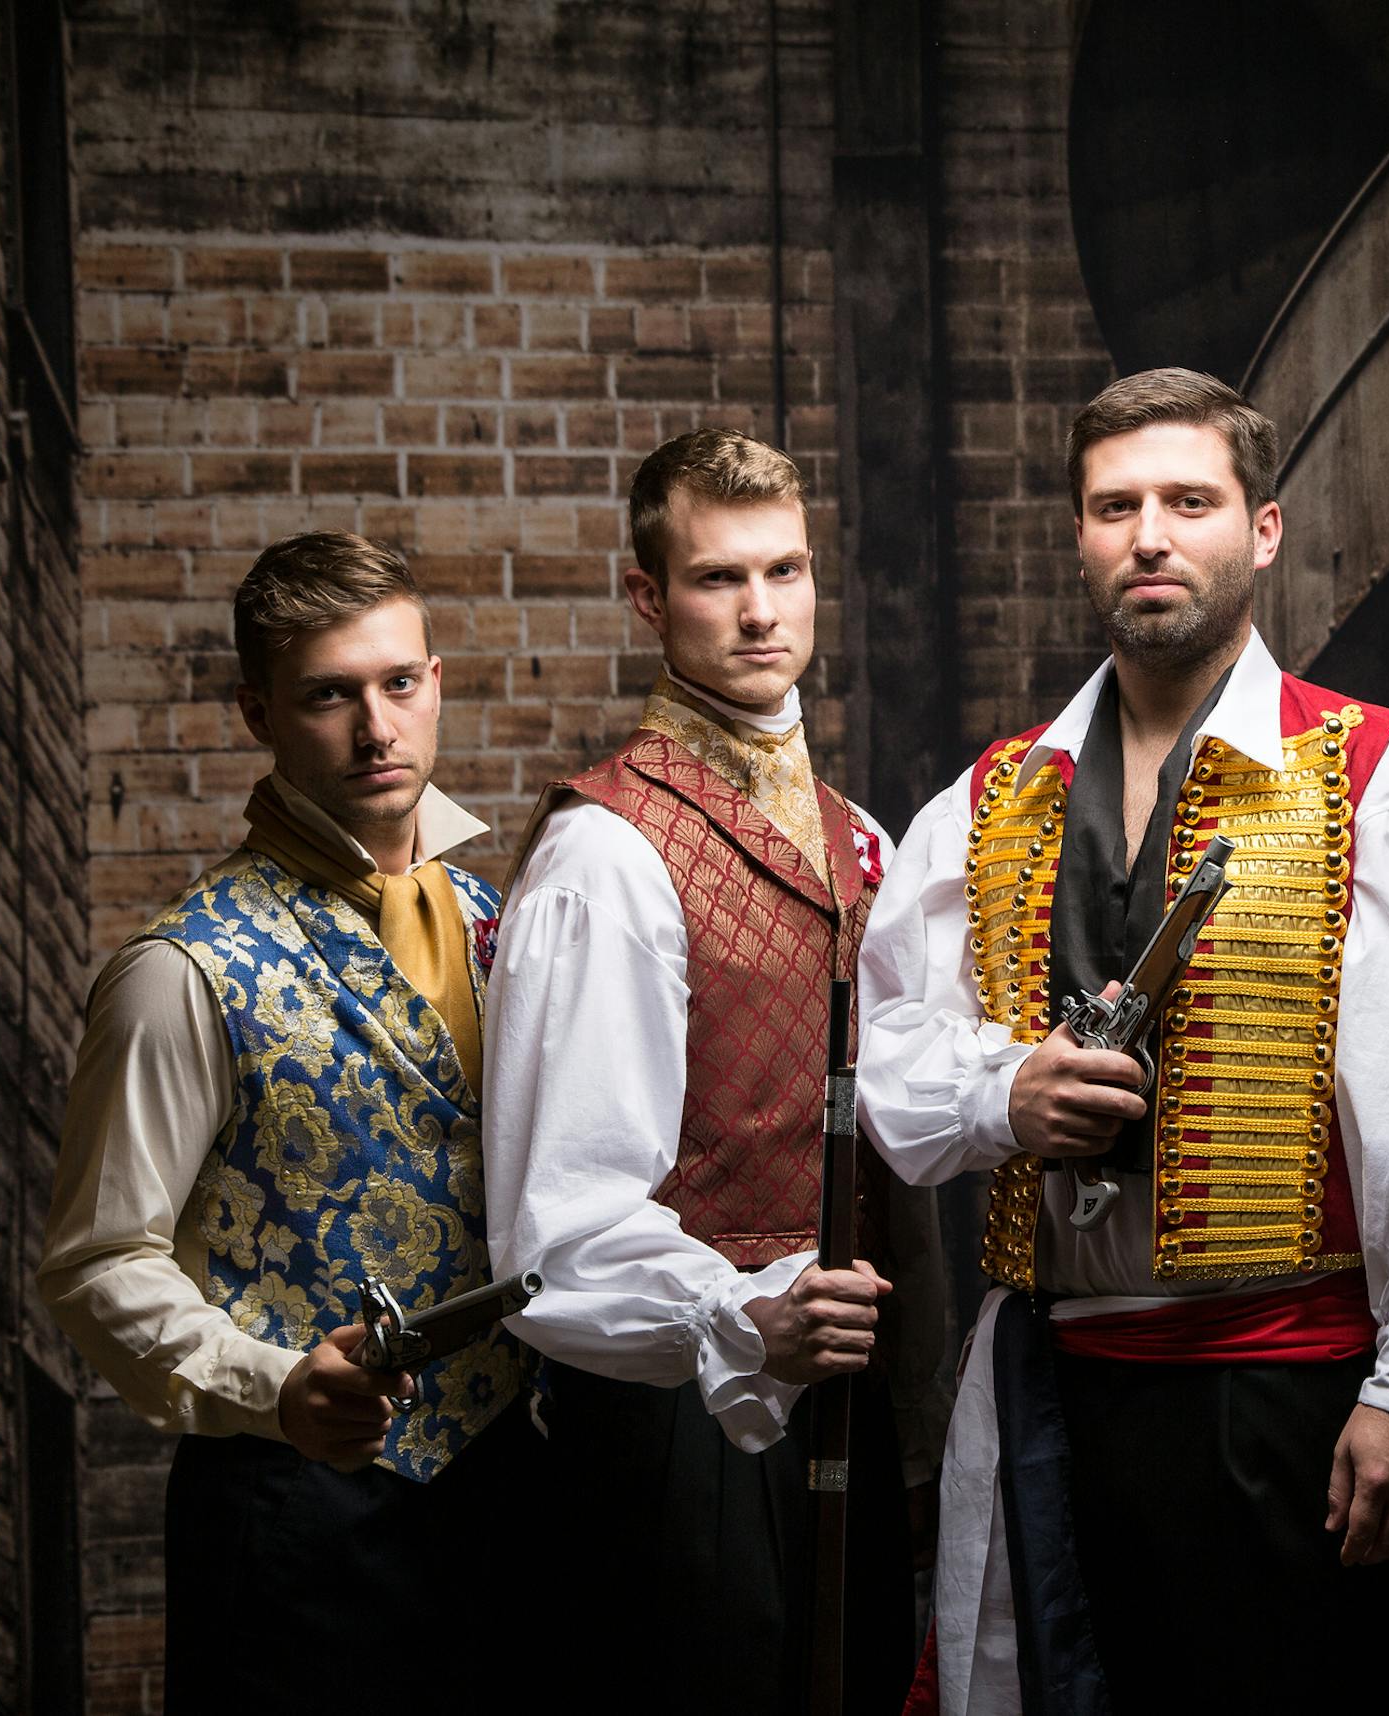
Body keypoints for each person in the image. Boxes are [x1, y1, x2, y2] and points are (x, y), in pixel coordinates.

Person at [858, 368, 1389, 1713]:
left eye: (1190, 500)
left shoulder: (1371, 781)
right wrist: (1004, 1090)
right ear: (1078, 535)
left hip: (1287, 1392)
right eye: (1114, 505)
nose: (1150, 534)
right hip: (1055, 1389)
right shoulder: (995, 797)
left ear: (1265, 529)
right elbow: (888, 1050)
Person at [484, 429, 945, 1715]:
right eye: (716, 579)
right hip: (672, 1423)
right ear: (648, 597)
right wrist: (738, 1316)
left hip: (845, 1407)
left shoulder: (864, 840)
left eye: (786, 572)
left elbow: (901, 1155)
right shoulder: (605, 855)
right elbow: (552, 1232)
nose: (760, 613)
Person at [38, 532, 537, 1712]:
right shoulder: (182, 970)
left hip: (512, 1495)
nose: (377, 728)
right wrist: (274, 1388)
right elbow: (99, 1261)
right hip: (295, 1516)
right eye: (328, 694)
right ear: (257, 710)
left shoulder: (507, 920)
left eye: (398, 683)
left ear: (436, 683)